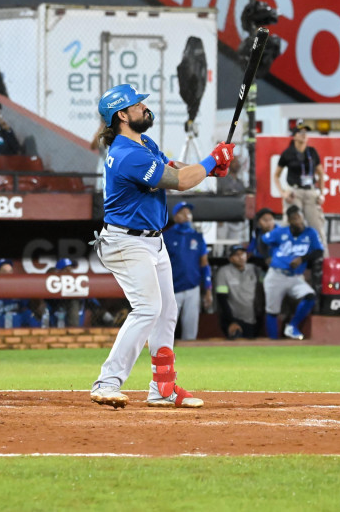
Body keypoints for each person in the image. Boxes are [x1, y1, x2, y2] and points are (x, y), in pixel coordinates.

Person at [89, 83, 234, 409]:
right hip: (126, 241)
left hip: (152, 240)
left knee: (167, 311)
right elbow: (180, 182)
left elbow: (176, 169)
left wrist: (209, 169)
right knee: (149, 308)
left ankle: (163, 388)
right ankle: (107, 382)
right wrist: (211, 161)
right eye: (137, 104)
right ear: (122, 115)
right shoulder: (128, 155)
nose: (144, 107)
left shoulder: (143, 143)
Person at [261, 205, 324, 341]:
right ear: (289, 220)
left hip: (295, 276)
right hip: (276, 275)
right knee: (272, 311)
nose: (299, 221)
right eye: (295, 218)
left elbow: (319, 251)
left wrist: (302, 259)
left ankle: (292, 326)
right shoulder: (280, 232)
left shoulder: (310, 233)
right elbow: (263, 240)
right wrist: (267, 255)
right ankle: (273, 342)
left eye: (300, 217)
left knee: (310, 296)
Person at [272, 121, 327, 249]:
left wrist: (322, 193)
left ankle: (322, 259)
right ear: (294, 136)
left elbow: (321, 173)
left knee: (317, 225)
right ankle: (283, 254)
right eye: (300, 132)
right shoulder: (288, 153)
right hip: (294, 192)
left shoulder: (312, 152)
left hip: (310, 191)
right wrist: (283, 193)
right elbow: (276, 175)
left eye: (305, 132)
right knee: (288, 223)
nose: (304, 135)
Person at [162, 201, 212, 341]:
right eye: (182, 212)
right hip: (172, 287)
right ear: (175, 216)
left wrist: (208, 289)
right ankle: (163, 352)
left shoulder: (197, 236)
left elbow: (204, 264)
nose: (187, 215)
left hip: (192, 287)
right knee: (166, 325)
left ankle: (190, 357)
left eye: (188, 212)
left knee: (191, 328)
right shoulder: (166, 236)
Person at [215, 245, 257, 340]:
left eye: (242, 254)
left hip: (251, 318)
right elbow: (222, 298)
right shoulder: (224, 272)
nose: (240, 257)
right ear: (230, 259)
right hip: (234, 318)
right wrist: (231, 321)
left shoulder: (253, 269)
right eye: (236, 255)